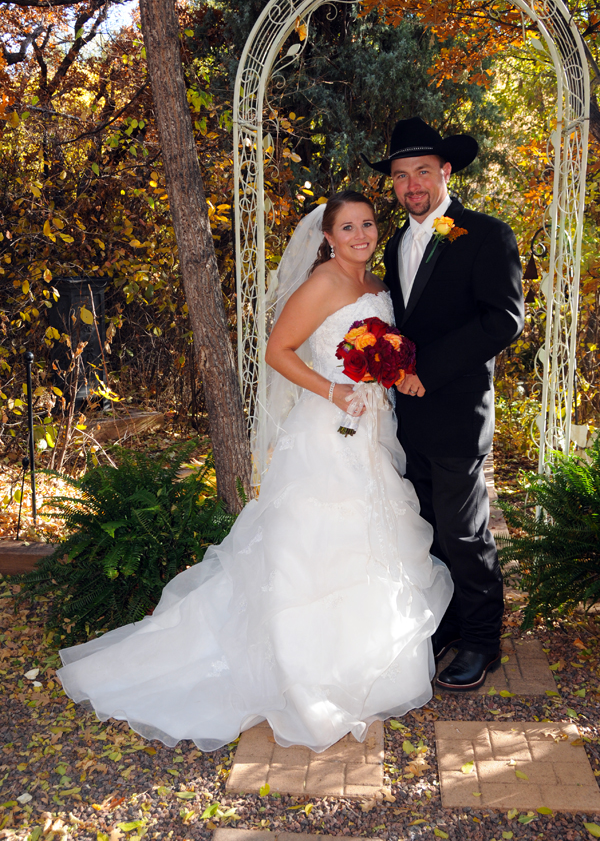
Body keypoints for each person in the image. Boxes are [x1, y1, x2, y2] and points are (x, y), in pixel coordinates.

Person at [57, 191, 453, 753]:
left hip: (373, 431)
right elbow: (279, 350)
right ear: (328, 236)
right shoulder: (322, 285)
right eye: (347, 227)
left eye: (367, 224)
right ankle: (305, 673)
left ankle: (366, 663)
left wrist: (395, 373)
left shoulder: (377, 288)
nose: (360, 235)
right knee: (315, 547)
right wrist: (335, 390)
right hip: (328, 432)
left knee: (375, 539)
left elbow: (383, 352)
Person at [362, 117, 525, 691]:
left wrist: (421, 370)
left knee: (464, 532)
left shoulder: (485, 233)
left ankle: (482, 641)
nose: (412, 185)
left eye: (423, 172)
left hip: (457, 412)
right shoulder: (395, 244)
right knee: (428, 529)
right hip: (409, 417)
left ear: (446, 172)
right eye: (402, 176)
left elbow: (503, 319)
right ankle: (448, 624)